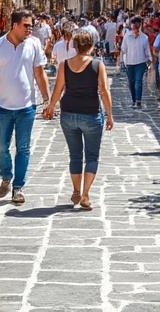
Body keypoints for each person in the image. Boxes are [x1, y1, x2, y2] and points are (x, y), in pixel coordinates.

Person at [0, 10, 50, 206]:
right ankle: (6, 176)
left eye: (31, 25)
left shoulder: (34, 44)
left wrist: (47, 100)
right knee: (1, 147)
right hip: (3, 106)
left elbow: (39, 73)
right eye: (26, 25)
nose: (30, 29)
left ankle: (18, 186)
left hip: (27, 106)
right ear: (14, 25)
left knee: (23, 148)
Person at [43, 31, 114, 211]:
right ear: (91, 46)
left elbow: (58, 89)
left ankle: (76, 190)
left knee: (75, 155)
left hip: (68, 114)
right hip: (91, 114)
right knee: (91, 156)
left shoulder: (64, 65)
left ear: (74, 46)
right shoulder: (98, 65)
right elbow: (104, 91)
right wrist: (110, 114)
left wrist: (51, 106)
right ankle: (85, 194)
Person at [119, 17, 151, 108]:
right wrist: (122, 62)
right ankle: (133, 99)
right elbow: (123, 50)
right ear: (131, 26)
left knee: (138, 82)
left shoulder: (144, 37)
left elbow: (147, 51)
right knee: (131, 82)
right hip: (129, 63)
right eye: (134, 26)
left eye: (137, 26)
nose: (135, 28)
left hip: (141, 63)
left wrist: (149, 61)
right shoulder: (127, 36)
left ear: (139, 26)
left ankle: (138, 101)